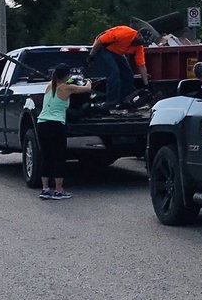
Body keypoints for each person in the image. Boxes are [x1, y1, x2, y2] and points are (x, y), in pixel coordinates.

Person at [35, 65, 93, 200]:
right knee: (59, 157)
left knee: (46, 156)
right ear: (66, 76)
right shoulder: (67, 88)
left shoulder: (50, 85)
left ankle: (45, 189)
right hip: (56, 124)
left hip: (42, 123)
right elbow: (87, 89)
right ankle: (59, 190)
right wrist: (89, 80)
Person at [87, 24, 152, 110]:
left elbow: (141, 66)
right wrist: (91, 55)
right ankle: (110, 103)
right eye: (141, 41)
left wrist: (146, 85)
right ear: (138, 34)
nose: (139, 44)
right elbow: (100, 40)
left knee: (128, 75)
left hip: (117, 52)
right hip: (104, 48)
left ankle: (123, 101)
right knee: (114, 73)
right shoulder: (124, 33)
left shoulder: (138, 46)